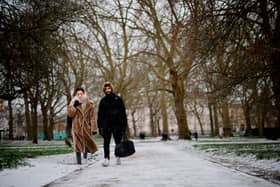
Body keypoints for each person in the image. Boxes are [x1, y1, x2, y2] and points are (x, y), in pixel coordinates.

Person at [97, 82, 127, 167]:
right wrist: (99, 127)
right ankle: (106, 159)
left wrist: (124, 125)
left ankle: (118, 157)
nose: (107, 90)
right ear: (104, 90)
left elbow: (123, 113)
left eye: (109, 88)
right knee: (106, 142)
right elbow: (100, 115)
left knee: (118, 142)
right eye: (106, 89)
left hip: (117, 124)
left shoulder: (118, 99)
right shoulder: (102, 101)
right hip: (106, 125)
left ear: (111, 89)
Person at [68, 87, 98, 165]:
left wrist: (94, 128)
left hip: (86, 127)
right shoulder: (72, 103)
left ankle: (85, 158)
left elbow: (93, 117)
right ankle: (79, 163)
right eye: (78, 94)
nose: (79, 95)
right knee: (77, 146)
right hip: (76, 127)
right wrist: (74, 106)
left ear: (84, 94)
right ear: (76, 95)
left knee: (87, 143)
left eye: (81, 94)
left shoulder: (90, 104)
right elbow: (70, 115)